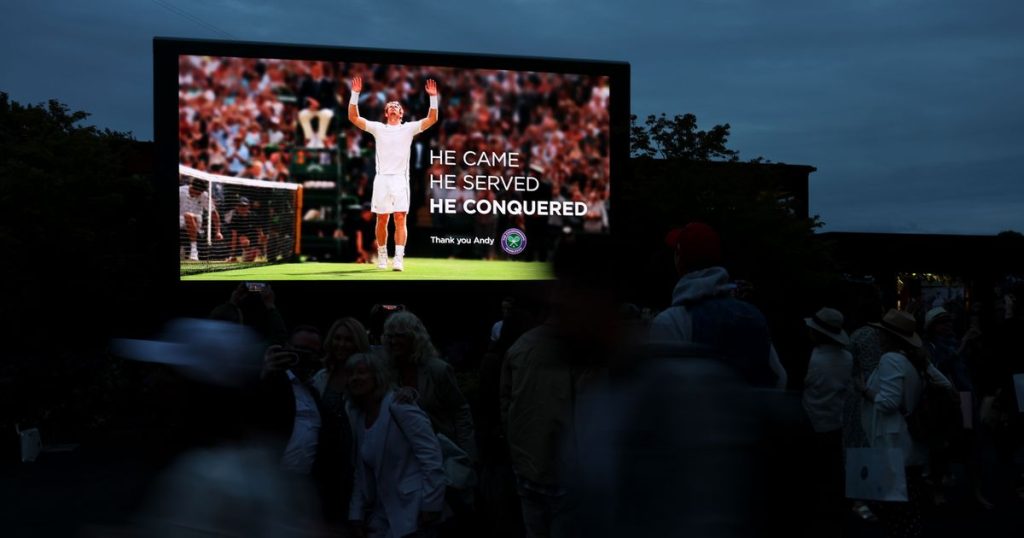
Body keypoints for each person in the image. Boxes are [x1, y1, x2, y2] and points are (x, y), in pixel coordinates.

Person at [648, 222, 785, 388]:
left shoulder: (671, 321)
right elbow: (779, 378)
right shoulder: (752, 315)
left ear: (678, 258)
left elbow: (661, 393)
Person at [856, 308, 954, 538]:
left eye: (881, 333)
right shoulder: (917, 360)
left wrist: (865, 391)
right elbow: (946, 385)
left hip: (893, 442)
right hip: (913, 442)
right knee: (908, 507)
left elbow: (889, 402)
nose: (878, 337)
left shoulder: (891, 359)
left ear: (889, 336)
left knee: (895, 511)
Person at [345, 352, 446, 538]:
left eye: (361, 372)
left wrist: (431, 504)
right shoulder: (357, 416)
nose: (355, 378)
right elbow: (361, 469)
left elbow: (431, 456)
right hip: (382, 516)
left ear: (377, 376)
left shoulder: (400, 406)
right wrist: (356, 513)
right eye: (350, 374)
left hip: (415, 511)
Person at [348, 75, 439, 271]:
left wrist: (433, 98)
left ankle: (398, 258)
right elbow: (353, 117)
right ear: (386, 112)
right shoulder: (378, 128)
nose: (394, 107)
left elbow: (432, 119)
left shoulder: (409, 129)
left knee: (400, 217)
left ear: (401, 112)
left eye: (397, 105)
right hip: (381, 179)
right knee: (382, 219)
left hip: (400, 180)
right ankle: (382, 255)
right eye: (390, 105)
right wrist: (355, 94)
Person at [801, 307, 853, 536]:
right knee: (834, 473)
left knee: (815, 476)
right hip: (836, 420)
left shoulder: (811, 358)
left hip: (811, 422)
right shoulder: (847, 358)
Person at [179, 177, 222, 261]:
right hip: (180, 219)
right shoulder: (180, 191)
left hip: (197, 219)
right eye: (198, 192)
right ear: (192, 187)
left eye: (201, 192)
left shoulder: (204, 195)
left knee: (188, 216)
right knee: (187, 216)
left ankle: (194, 250)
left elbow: (214, 213)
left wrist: (218, 231)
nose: (199, 194)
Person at [224, 196, 267, 262]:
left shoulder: (254, 216)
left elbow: (260, 232)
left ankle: (259, 253)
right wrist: (232, 254)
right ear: (237, 207)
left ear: (248, 207)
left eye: (244, 206)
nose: (242, 208)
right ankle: (245, 254)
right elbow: (234, 236)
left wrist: (261, 248)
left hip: (255, 240)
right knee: (245, 242)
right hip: (242, 242)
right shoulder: (235, 218)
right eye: (240, 206)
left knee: (265, 237)